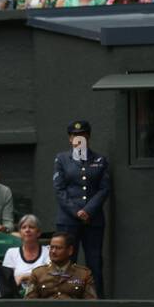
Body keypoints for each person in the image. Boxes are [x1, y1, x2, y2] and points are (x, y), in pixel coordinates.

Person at [52, 119, 110, 296]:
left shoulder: (100, 160)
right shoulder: (62, 159)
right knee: (67, 261)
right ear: (70, 139)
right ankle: (65, 298)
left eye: (82, 135)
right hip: (69, 220)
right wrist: (76, 211)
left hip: (93, 220)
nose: (78, 138)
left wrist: (88, 210)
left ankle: (97, 300)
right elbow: (59, 189)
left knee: (94, 262)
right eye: (75, 135)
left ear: (88, 137)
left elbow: (104, 188)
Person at [24, 233, 97, 299]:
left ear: (70, 250)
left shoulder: (84, 274)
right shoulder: (38, 273)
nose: (53, 251)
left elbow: (91, 303)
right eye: (51, 247)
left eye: (58, 248)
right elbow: (29, 303)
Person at [3, 215, 51, 285]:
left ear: (38, 233)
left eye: (31, 227)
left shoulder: (48, 252)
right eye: (23, 227)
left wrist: (23, 277)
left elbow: (49, 276)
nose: (27, 230)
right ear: (19, 233)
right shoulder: (11, 253)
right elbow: (6, 278)